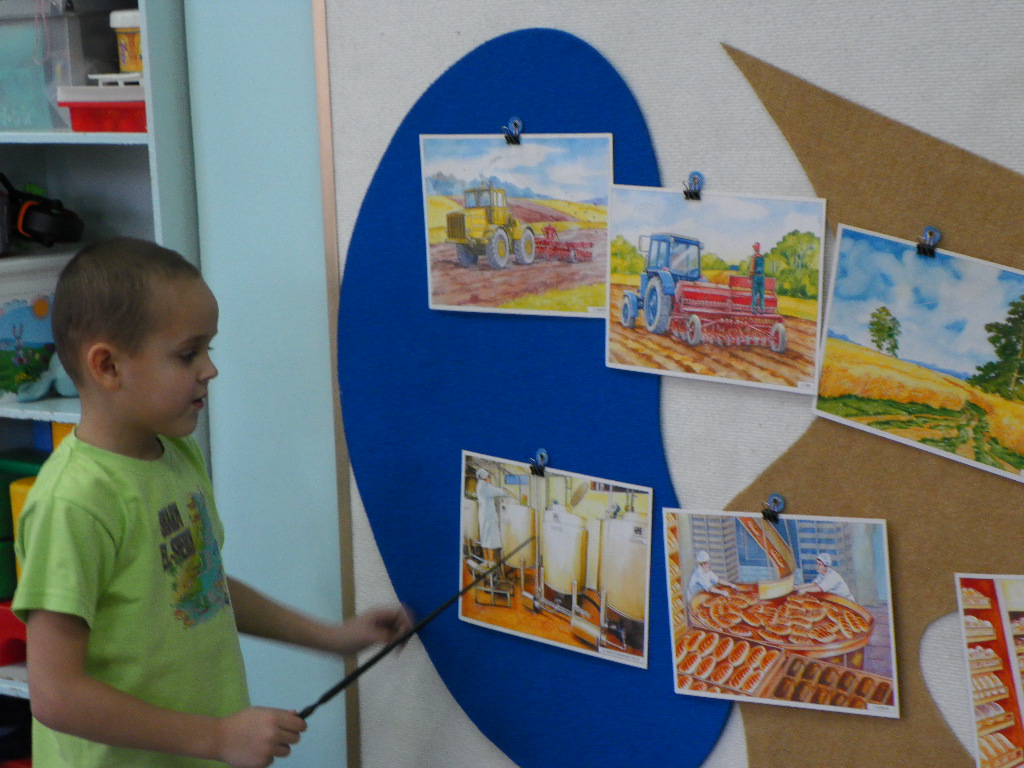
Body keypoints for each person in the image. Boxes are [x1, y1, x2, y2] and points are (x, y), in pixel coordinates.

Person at [12, 237, 413, 768]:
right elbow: (56, 695)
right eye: (187, 354)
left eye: (209, 351)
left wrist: (332, 637)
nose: (209, 370)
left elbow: (202, 587)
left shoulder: (176, 455)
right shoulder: (74, 503)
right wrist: (217, 737)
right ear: (108, 366)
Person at [474, 468, 509, 564]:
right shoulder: (486, 487)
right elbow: (499, 492)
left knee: (485, 539)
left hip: (483, 515)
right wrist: (506, 492)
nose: (490, 479)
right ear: (486, 478)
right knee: (490, 540)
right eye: (489, 478)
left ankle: (486, 561)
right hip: (489, 516)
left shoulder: (479, 485)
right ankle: (491, 563)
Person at [749, 241, 766, 314]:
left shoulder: (754, 257)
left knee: (755, 293)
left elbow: (752, 269)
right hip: (762, 277)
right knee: (761, 293)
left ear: (755, 249)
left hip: (756, 277)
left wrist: (750, 278)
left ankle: (755, 309)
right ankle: (762, 309)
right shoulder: (762, 257)